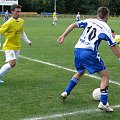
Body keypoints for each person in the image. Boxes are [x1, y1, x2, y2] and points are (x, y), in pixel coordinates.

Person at [57, 7, 120, 112]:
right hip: (89, 52)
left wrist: (63, 36)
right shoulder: (106, 27)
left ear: (97, 14)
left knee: (80, 71)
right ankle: (103, 103)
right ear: (107, 16)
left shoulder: (89, 20)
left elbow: (73, 25)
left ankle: (66, 92)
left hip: (77, 50)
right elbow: (112, 45)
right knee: (105, 76)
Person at [0, 4, 32, 83]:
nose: (19, 13)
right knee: (12, 63)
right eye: (17, 12)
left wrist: (28, 41)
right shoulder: (8, 23)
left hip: (17, 47)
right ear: (12, 12)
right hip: (9, 46)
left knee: (11, 64)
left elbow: (22, 32)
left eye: (19, 12)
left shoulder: (21, 21)